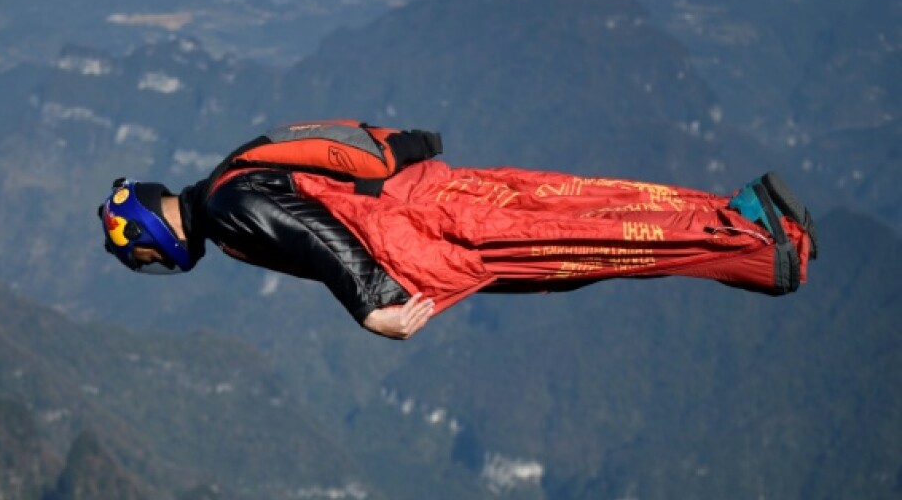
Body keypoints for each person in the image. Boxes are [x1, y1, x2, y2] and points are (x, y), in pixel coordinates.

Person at [100, 121, 817, 340]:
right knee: (587, 211)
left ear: (150, 236)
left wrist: (372, 302)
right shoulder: (243, 161)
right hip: (441, 191)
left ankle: (759, 249)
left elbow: (319, 238)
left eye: (149, 258)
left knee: (584, 244)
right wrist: (422, 152)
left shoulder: (229, 209)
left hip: (432, 231)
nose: (163, 264)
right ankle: (743, 220)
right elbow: (374, 145)